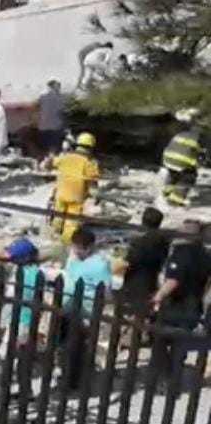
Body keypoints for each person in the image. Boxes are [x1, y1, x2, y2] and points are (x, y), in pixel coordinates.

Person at [147, 219, 211, 395]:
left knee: (159, 339)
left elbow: (174, 280)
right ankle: (173, 382)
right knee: (179, 346)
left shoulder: (181, 253)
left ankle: (164, 380)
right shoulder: (206, 254)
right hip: (193, 305)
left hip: (176, 305)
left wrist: (157, 297)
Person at [58, 228, 112, 392]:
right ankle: (67, 376)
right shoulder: (73, 258)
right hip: (68, 305)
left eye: (80, 247)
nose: (76, 250)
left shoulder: (100, 264)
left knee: (77, 347)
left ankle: (75, 381)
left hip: (85, 310)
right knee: (65, 345)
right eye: (75, 246)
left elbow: (106, 291)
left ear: (89, 247)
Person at [115, 207, 169, 320]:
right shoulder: (164, 241)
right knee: (142, 316)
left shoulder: (140, 243)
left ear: (143, 221)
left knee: (126, 317)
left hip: (135, 283)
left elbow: (130, 262)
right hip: (151, 280)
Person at [49, 132, 101, 245]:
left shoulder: (65, 157)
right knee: (71, 223)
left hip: (61, 194)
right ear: (91, 147)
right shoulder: (90, 163)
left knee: (58, 217)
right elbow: (93, 182)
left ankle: (53, 237)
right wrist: (95, 197)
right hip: (76, 197)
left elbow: (52, 162)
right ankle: (66, 244)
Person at [161, 108, 203, 207]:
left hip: (168, 159)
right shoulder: (200, 138)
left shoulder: (182, 133)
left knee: (173, 174)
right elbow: (201, 155)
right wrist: (199, 162)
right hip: (181, 161)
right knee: (188, 178)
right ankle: (175, 199)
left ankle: (167, 191)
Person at [37, 80, 67, 157]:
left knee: (45, 148)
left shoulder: (42, 97)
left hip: (43, 126)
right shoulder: (62, 97)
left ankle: (45, 162)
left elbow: (38, 108)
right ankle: (52, 160)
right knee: (55, 148)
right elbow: (63, 111)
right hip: (56, 127)